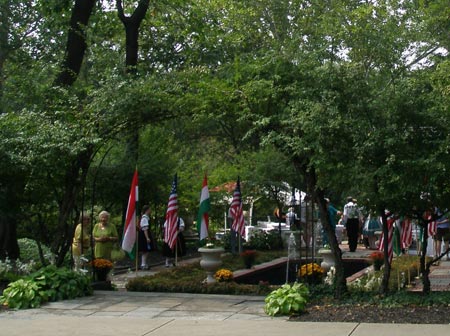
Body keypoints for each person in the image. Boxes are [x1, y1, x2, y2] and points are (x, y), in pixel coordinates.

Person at [138, 205, 154, 270]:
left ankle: (144, 264)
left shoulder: (146, 218)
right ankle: (143, 264)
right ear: (147, 210)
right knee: (145, 250)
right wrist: (147, 237)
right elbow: (145, 229)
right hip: (144, 235)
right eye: (150, 209)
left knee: (146, 250)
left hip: (145, 234)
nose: (150, 211)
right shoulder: (144, 218)